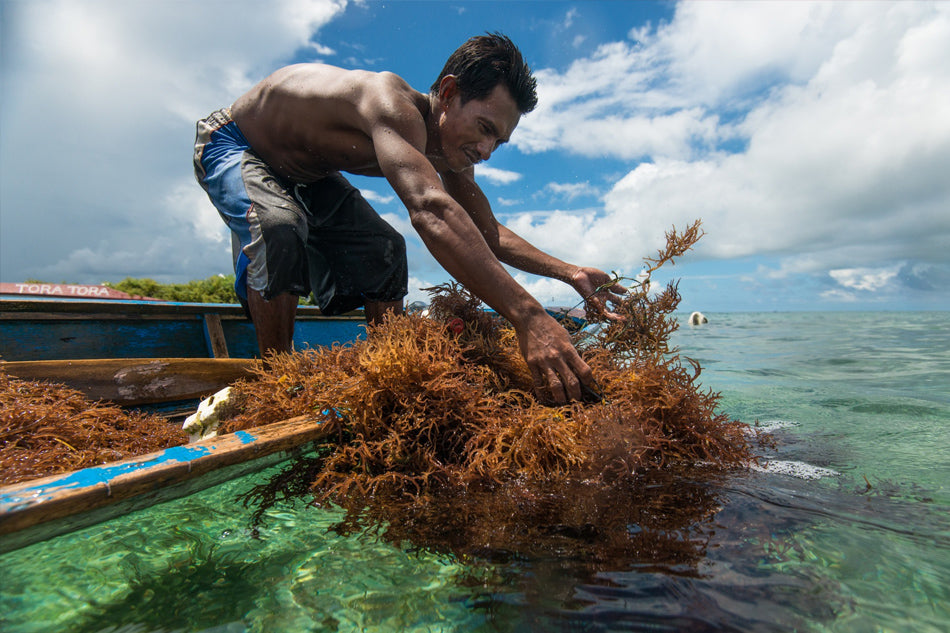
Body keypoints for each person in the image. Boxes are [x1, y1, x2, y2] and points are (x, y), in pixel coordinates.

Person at [194, 33, 625, 404]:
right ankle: (277, 384)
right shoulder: (390, 103)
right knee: (278, 227)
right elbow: (431, 211)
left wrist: (568, 272)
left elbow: (485, 234)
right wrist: (530, 317)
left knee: (384, 248)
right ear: (450, 93)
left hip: (307, 174)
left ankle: (389, 373)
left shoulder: (454, 153)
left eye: (500, 140)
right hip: (234, 142)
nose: (488, 150)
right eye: (485, 127)